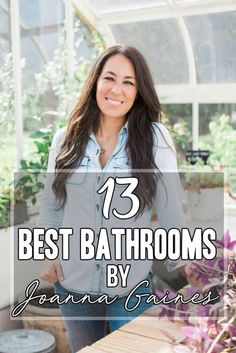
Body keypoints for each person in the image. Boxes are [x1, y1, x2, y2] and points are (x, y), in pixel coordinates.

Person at [39, 44, 189, 352]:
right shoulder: (65, 139)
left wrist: (193, 271)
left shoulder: (155, 139)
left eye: (128, 82)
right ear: (95, 81)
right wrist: (49, 254)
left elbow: (171, 210)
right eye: (109, 78)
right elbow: (52, 204)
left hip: (130, 285)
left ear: (138, 91)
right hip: (73, 283)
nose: (116, 89)